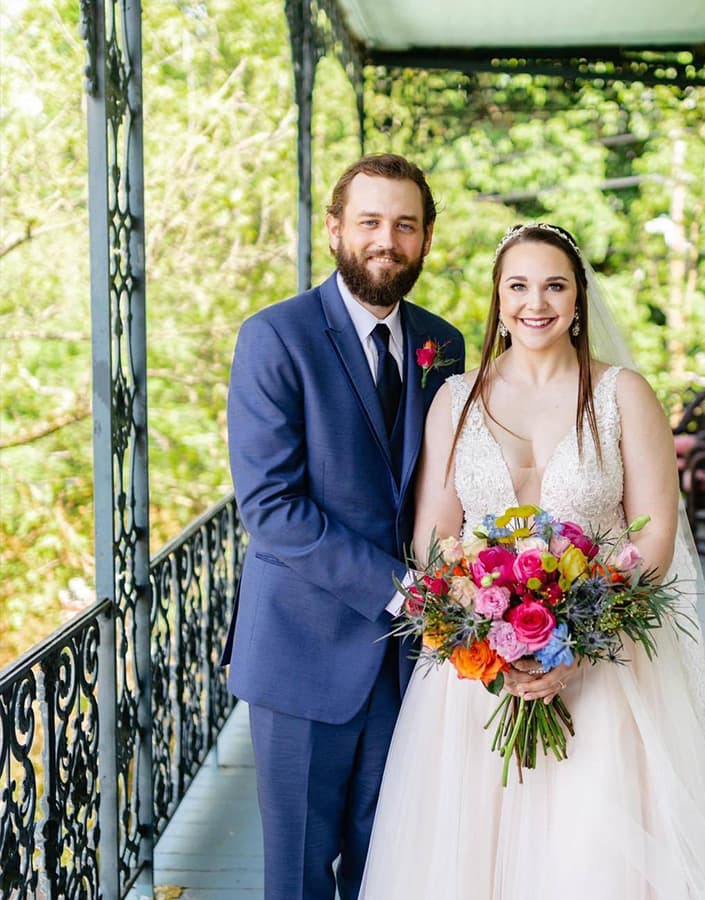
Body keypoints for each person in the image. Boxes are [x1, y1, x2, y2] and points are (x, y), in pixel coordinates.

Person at [358, 224, 705, 899]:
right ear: (498, 300)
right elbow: (434, 539)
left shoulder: (624, 395)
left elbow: (655, 541)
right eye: (519, 286)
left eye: (555, 285)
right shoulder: (454, 400)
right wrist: (485, 630)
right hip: (477, 675)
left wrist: (575, 646)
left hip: (607, 662)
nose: (537, 303)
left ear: (579, 299)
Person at [222, 153, 465, 900]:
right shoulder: (276, 338)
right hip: (303, 654)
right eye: (369, 222)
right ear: (335, 230)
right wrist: (406, 594)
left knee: (389, 863)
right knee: (297, 873)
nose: (386, 240)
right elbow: (272, 508)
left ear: (425, 239)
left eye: (405, 224)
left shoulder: (443, 344)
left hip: (410, 667)